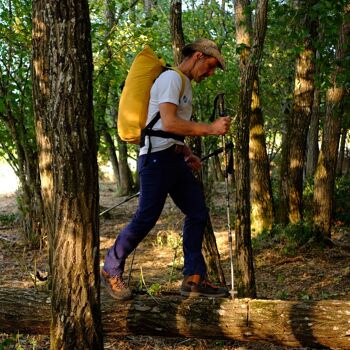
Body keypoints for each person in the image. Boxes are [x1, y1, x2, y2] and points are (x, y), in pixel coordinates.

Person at [101, 38, 231, 300]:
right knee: (146, 216)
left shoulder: (183, 85)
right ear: (197, 56)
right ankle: (111, 268)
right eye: (211, 65)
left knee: (197, 212)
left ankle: (194, 278)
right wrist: (211, 128)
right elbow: (169, 122)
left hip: (171, 158)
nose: (211, 73)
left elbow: (163, 127)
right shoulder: (172, 79)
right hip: (156, 160)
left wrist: (185, 151)